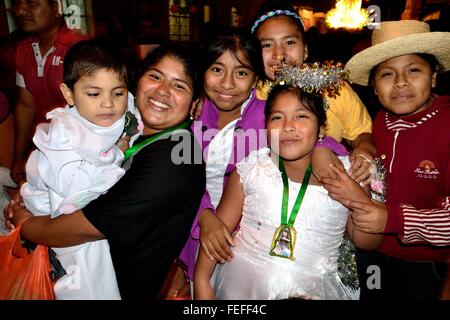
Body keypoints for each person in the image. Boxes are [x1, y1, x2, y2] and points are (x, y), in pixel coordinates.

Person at [4, 43, 206, 300]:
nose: (163, 91)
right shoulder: (125, 126)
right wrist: (34, 192)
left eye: (179, 86)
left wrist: (26, 225)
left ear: (195, 105)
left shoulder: (178, 156)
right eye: (155, 76)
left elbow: (86, 226)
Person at [194, 64, 382, 300]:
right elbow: (217, 233)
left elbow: (367, 242)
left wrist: (357, 199)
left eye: (301, 116)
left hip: (314, 288)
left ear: (322, 128)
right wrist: (202, 281)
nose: (288, 126)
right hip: (241, 285)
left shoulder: (348, 173)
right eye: (277, 117)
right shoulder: (250, 168)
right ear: (266, 128)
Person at [18, 39, 141, 300]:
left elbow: (132, 107)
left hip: (80, 197)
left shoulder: (116, 109)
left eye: (117, 93)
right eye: (94, 94)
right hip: (55, 201)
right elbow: (73, 189)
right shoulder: (63, 133)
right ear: (68, 94)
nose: (108, 104)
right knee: (87, 266)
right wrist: (117, 156)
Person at [343, 20, 450, 300]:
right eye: (387, 74)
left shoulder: (446, 127)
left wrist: (394, 220)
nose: (401, 82)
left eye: (413, 70)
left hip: (426, 265)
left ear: (434, 76)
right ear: (375, 88)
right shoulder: (381, 121)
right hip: (374, 255)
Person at [175, 29, 267, 296]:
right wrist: (205, 216)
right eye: (216, 69)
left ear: (255, 79)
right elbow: (179, 177)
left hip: (249, 242)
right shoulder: (190, 115)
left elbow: (315, 138)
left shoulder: (269, 115)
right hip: (194, 228)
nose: (227, 84)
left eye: (241, 73)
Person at [251, 0, 376, 182]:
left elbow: (362, 134)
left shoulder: (334, 89)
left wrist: (363, 151)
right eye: (267, 45)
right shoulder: (249, 92)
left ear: (306, 48)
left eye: (290, 42)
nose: (279, 54)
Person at [11, 0, 88, 188]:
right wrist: (19, 156)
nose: (21, 10)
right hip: (43, 151)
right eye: (17, 3)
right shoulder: (23, 50)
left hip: (80, 156)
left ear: (57, 8)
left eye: (31, 3)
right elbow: (26, 105)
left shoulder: (79, 48)